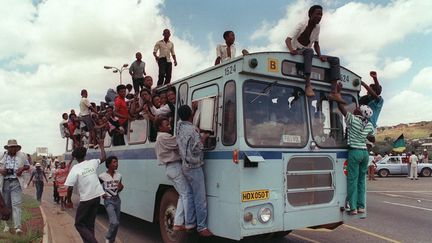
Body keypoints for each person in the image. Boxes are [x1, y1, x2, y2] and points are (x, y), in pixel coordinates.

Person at [285, 5, 344, 103]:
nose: (320, 16)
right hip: (298, 51)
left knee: (335, 60)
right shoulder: (302, 24)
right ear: (310, 15)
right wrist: (291, 49)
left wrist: (320, 55)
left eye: (321, 14)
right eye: (317, 14)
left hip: (308, 53)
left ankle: (334, 92)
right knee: (309, 51)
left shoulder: (318, 27)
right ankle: (308, 85)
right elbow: (288, 40)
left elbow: (316, 44)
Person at [176, 105, 212, 236]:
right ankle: (202, 227)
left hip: (185, 166)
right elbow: (197, 148)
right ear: (191, 115)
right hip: (195, 167)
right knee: (200, 198)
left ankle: (190, 223)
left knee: (190, 195)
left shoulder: (179, 127)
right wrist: (204, 138)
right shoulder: (193, 130)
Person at [155, 117, 194, 231]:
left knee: (183, 194)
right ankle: (188, 221)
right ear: (160, 127)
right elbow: (179, 142)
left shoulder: (160, 137)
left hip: (171, 168)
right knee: (186, 193)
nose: (169, 126)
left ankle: (178, 222)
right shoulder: (163, 136)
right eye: (166, 124)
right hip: (174, 166)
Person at [64, 139, 106, 243]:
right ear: (85, 155)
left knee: (78, 224)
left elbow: (69, 187)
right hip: (97, 197)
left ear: (75, 157)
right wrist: (101, 145)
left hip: (87, 199)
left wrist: (69, 200)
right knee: (89, 225)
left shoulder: (75, 168)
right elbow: (104, 158)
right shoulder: (92, 163)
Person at [336, 103, 375, 215]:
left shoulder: (353, 120)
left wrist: (337, 98)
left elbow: (341, 109)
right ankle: (361, 206)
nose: (356, 109)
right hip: (364, 153)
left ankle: (353, 207)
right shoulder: (369, 125)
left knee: (352, 180)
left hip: (355, 151)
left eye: (358, 108)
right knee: (361, 181)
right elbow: (372, 138)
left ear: (360, 112)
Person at [0, 139, 30, 234]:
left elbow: (28, 166)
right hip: (5, 183)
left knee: (16, 205)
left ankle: (17, 227)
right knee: (6, 205)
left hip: (16, 182)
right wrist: (0, 171)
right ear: (8, 148)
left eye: (14, 147)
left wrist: (22, 168)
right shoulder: (2, 156)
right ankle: (7, 226)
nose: (13, 149)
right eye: (11, 147)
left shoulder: (22, 155)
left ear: (17, 148)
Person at [99, 156, 124, 243]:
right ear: (108, 164)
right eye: (114, 162)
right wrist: (102, 193)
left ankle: (111, 240)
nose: (116, 164)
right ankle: (108, 238)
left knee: (117, 223)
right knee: (114, 222)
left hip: (117, 200)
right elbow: (97, 186)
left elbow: (120, 186)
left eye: (117, 162)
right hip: (109, 201)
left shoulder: (119, 175)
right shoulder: (102, 176)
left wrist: (121, 187)